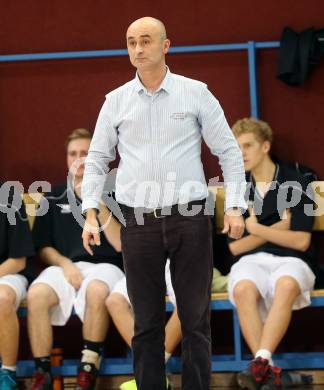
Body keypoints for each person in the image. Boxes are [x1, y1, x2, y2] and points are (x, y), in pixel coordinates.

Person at [81, 17, 246, 390]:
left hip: (190, 217)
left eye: (145, 41)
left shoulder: (196, 92)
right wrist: (91, 213)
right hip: (138, 223)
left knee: (195, 321)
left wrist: (235, 205)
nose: (137, 49)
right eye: (131, 42)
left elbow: (229, 153)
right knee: (146, 324)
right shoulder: (115, 101)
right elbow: (96, 160)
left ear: (165, 45)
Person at [27, 129, 124, 390]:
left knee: (96, 291)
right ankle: (42, 372)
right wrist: (65, 264)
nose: (79, 159)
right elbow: (43, 247)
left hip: (107, 266)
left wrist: (96, 199)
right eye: (73, 154)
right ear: (66, 159)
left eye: (86, 154)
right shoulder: (52, 196)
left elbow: (120, 244)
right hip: (65, 266)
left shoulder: (115, 194)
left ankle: (88, 367)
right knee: (36, 294)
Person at [228, 118, 316, 390]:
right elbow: (235, 247)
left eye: (248, 146)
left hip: (292, 259)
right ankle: (266, 372)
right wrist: (277, 228)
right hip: (251, 260)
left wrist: (255, 230)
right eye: (236, 147)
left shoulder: (297, 181)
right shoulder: (237, 189)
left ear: (265, 146)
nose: (241, 153)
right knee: (243, 289)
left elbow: (301, 241)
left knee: (287, 284)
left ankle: (260, 366)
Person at [107, 259, 180, 390]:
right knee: (115, 302)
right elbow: (119, 245)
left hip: (179, 257)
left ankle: (150, 372)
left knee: (188, 304)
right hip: (143, 257)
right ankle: (152, 373)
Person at [0, 184, 34, 389]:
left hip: (8, 274)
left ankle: (8, 374)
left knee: (2, 299)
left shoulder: (9, 195)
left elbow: (18, 261)